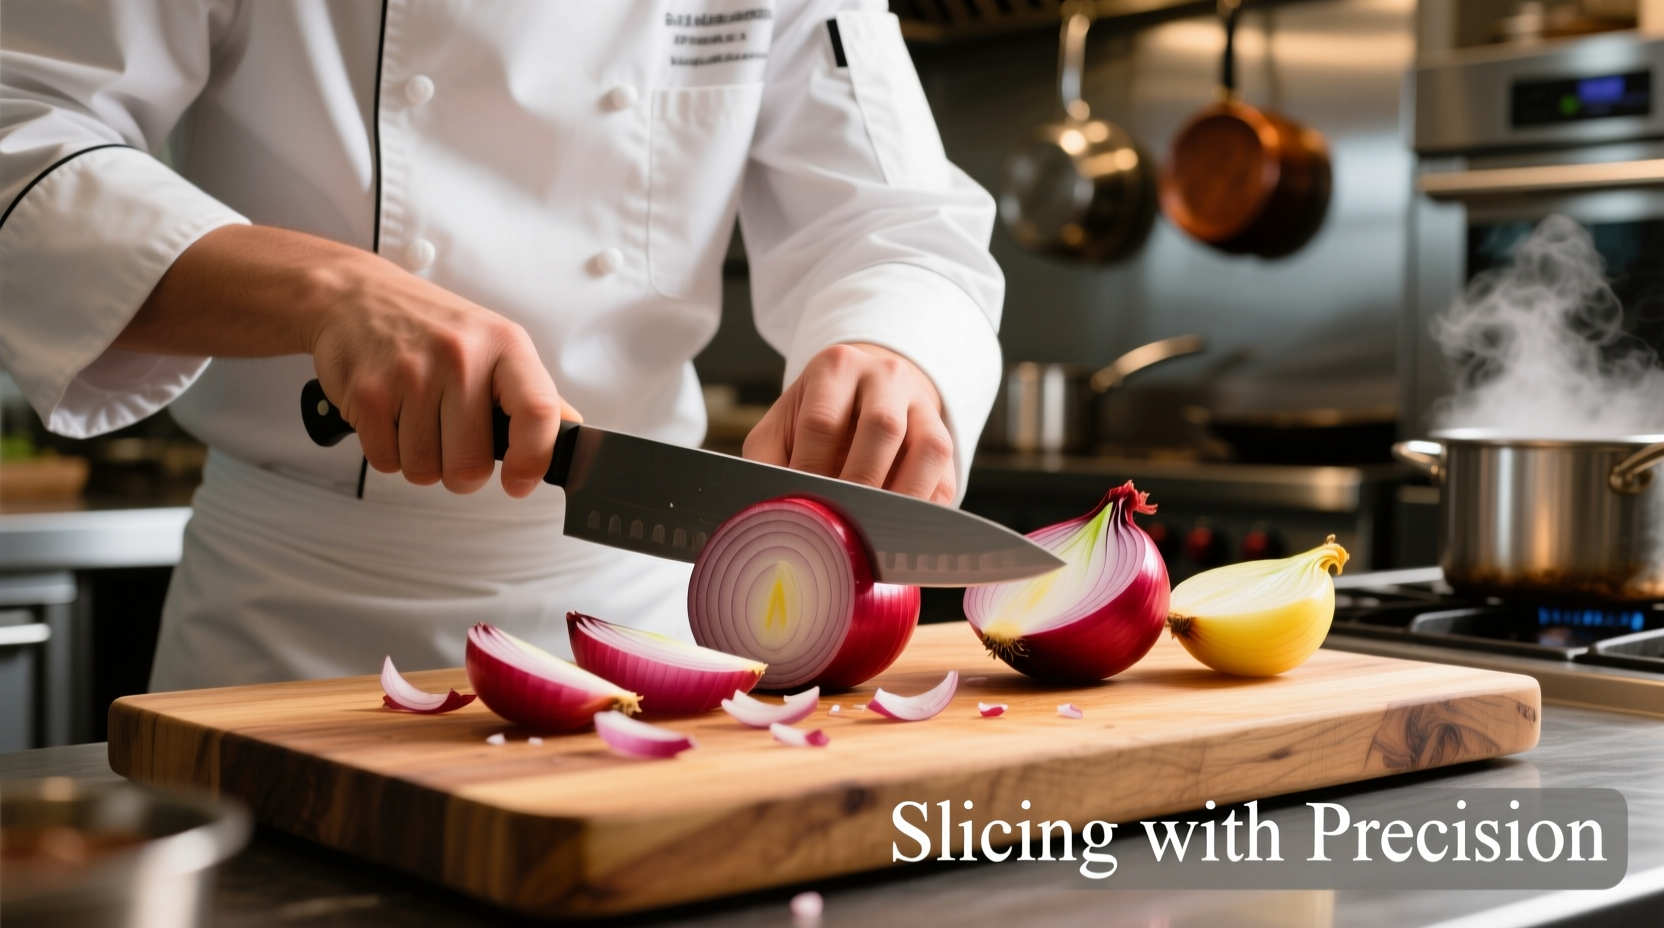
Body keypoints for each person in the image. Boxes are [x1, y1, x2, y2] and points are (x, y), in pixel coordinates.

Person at [0, 1, 1004, 691]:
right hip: (298, 621)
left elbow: (895, 221)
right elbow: (23, 131)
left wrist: (893, 342)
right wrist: (329, 289)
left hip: (644, 616)